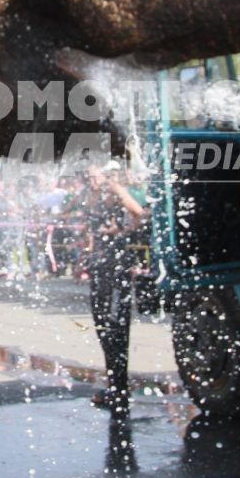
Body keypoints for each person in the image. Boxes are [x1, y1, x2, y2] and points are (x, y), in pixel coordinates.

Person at [84, 162, 150, 413]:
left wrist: (122, 230)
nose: (90, 180)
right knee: (102, 327)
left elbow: (140, 214)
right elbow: (91, 228)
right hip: (99, 266)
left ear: (106, 175)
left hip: (117, 266)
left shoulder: (116, 191)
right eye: (88, 176)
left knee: (116, 327)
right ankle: (115, 385)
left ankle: (119, 389)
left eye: (94, 175)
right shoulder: (94, 196)